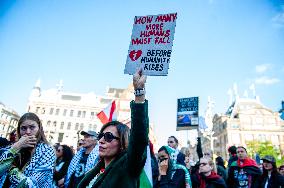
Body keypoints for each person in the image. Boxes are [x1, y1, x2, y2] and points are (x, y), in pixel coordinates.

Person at [78, 69, 149, 188]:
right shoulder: (96, 170)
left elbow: (139, 139)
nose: (101, 140)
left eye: (108, 137)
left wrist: (139, 93)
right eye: (101, 136)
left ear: (122, 143)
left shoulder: (127, 166)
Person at [0, 112, 56, 187]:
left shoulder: (47, 151)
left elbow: (30, 185)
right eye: (23, 128)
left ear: (39, 129)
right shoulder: (14, 147)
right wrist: (16, 147)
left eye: (32, 127)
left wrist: (10, 168)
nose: (28, 132)